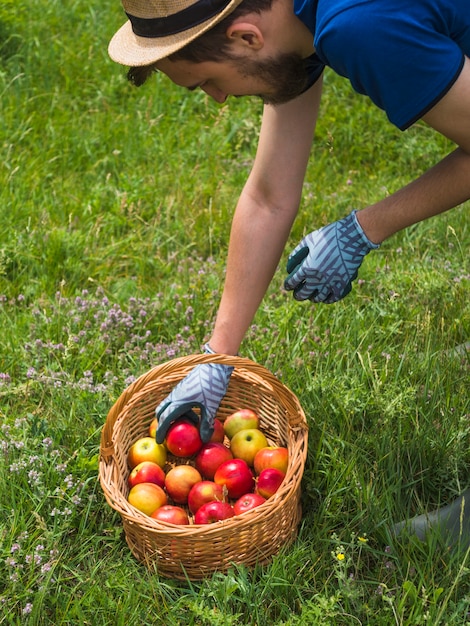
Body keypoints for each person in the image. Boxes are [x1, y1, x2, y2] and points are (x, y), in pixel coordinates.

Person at [108, 0, 470, 542]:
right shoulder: (296, 22)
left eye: (208, 80)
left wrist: (366, 227)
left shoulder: (359, 25)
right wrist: (218, 353)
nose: (220, 97)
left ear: (249, 36)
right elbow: (269, 197)